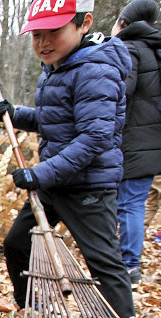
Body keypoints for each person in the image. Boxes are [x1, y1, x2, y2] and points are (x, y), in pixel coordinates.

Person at [0, 0, 134, 318]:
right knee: (17, 243)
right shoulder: (57, 67)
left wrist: (40, 173)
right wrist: (16, 115)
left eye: (53, 32)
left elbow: (94, 137)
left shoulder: (96, 69)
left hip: (88, 185)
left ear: (83, 24)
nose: (43, 43)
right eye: (36, 35)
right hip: (55, 181)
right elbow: (55, 118)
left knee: (102, 261)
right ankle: (29, 308)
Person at [111, 0, 161, 287]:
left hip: (133, 141)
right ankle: (127, 260)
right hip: (153, 142)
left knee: (128, 203)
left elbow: (120, 95)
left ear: (125, 23)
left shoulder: (130, 49)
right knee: (135, 202)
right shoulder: (156, 48)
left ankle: (128, 264)